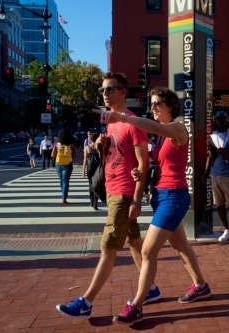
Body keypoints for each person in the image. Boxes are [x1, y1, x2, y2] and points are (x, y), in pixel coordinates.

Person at [96, 87, 211, 325]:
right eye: (152, 104)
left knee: (148, 251)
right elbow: (160, 162)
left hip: (174, 197)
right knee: (181, 246)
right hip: (160, 196)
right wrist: (141, 172)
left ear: (170, 105)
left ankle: (136, 305)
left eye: (158, 103)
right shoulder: (159, 136)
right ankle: (201, 285)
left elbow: (157, 127)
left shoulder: (177, 128)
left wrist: (124, 118)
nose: (153, 107)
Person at [55, 72, 160, 319]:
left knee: (107, 248)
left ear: (123, 92)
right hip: (112, 190)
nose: (105, 93)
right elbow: (114, 158)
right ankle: (152, 289)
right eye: (103, 89)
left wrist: (136, 198)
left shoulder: (133, 123)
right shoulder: (111, 122)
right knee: (134, 243)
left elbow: (143, 163)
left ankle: (87, 302)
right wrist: (101, 147)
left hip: (123, 194)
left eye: (111, 89)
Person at [205, 110, 229, 242]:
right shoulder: (212, 137)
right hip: (215, 173)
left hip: (228, 174)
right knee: (219, 204)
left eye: (223, 120)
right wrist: (206, 173)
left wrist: (227, 152)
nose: (220, 122)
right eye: (218, 120)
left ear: (227, 120)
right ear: (215, 121)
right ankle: (227, 230)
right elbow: (210, 156)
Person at [51, 130, 77, 204]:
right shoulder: (71, 145)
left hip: (58, 164)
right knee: (66, 181)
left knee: (61, 179)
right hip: (68, 164)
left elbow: (52, 155)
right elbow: (74, 156)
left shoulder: (57, 144)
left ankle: (63, 193)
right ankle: (64, 198)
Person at [82, 131, 100, 210]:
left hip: (90, 168)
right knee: (97, 185)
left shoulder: (87, 148)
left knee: (90, 185)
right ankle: (96, 203)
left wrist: (83, 171)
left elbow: (85, 160)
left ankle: (91, 202)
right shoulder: (99, 147)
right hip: (97, 168)